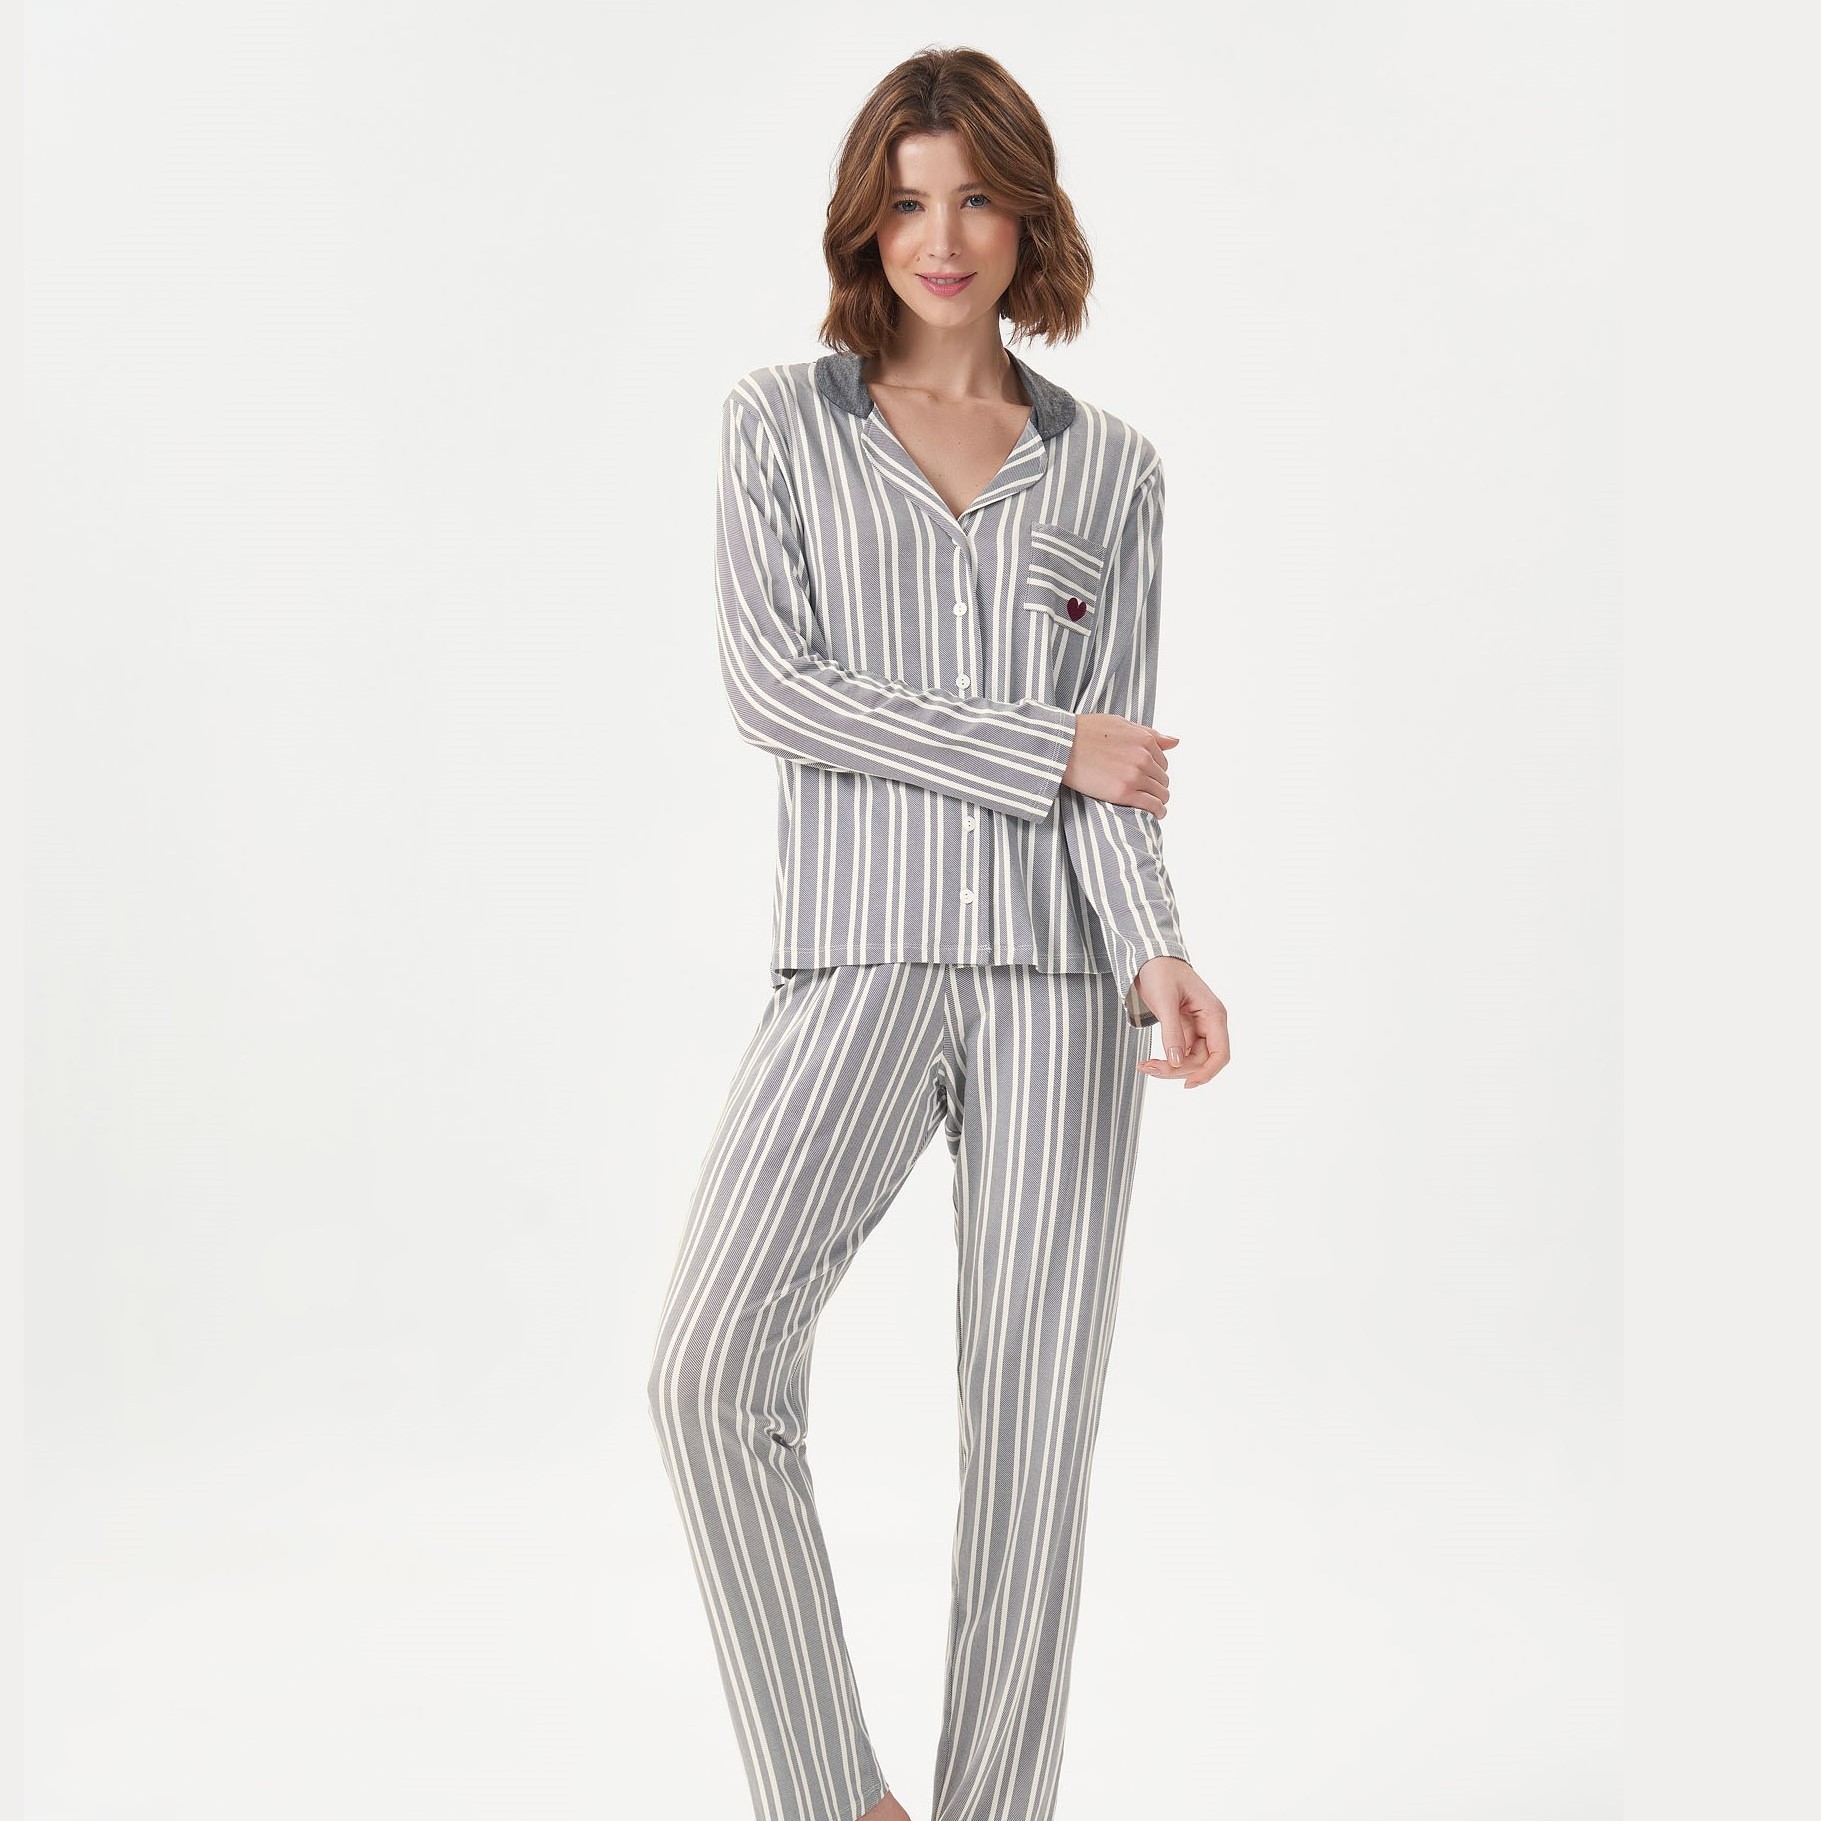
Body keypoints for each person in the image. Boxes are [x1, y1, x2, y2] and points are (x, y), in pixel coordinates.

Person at [647, 44, 1231, 1821]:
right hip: (861, 961)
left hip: (1062, 980)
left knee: (1032, 1444)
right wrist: (1041, 743)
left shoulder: (1110, 471)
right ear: (864, 223)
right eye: (906, 202)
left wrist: (1156, 942)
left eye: (976, 196)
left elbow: (1122, 763)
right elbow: (778, 690)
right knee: (706, 1371)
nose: (942, 237)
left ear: (1027, 213)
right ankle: (834, 1797)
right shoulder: (782, 424)